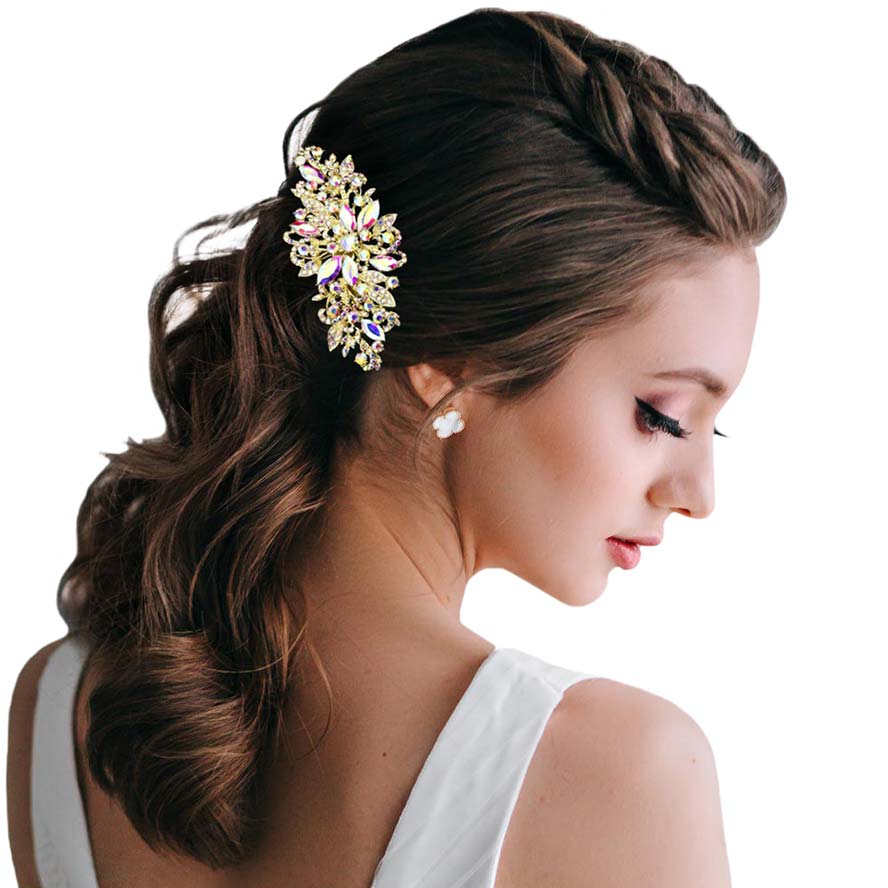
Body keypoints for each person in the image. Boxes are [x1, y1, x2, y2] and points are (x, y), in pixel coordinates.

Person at [7, 8, 786, 887]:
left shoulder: (63, 706)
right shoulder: (619, 772)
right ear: (448, 361)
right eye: (663, 416)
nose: (698, 492)